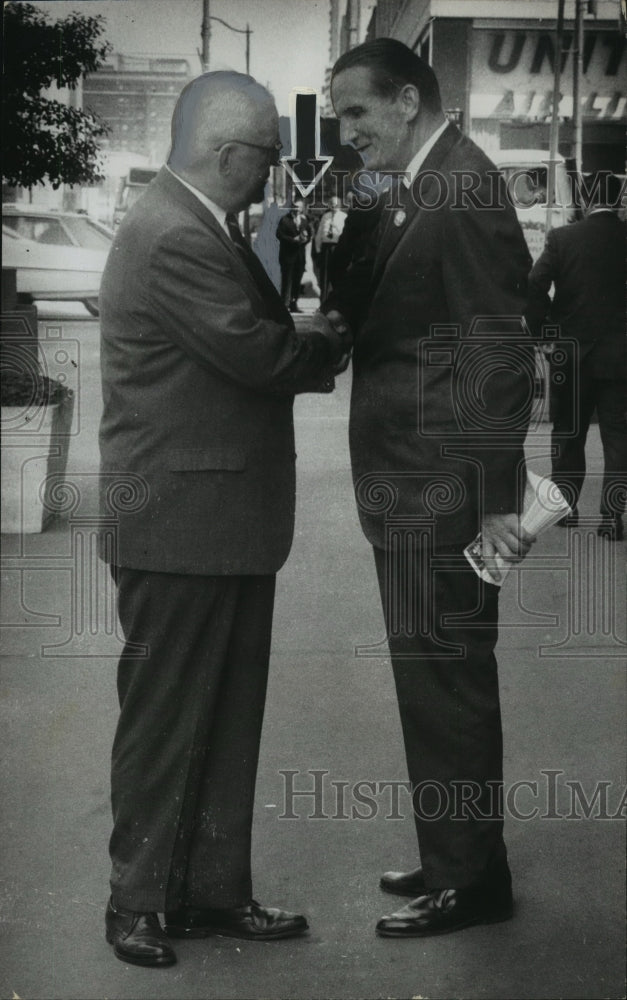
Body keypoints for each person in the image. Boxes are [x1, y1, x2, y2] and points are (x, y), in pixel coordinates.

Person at [98, 70, 349, 968]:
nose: (274, 171)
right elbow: (255, 351)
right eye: (269, 156)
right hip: (181, 522)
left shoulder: (199, 223)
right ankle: (135, 901)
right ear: (228, 153)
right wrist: (328, 342)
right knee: (166, 721)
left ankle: (208, 892)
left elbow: (252, 328)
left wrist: (301, 324)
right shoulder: (174, 234)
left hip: (216, 518)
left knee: (226, 719)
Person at [327, 38, 536, 937]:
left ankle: (469, 879)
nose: (346, 133)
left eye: (356, 113)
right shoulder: (418, 184)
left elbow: (497, 354)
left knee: (445, 679)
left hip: (440, 491)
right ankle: (457, 853)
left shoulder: (464, 187)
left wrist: (492, 503)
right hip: (412, 484)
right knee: (431, 680)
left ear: (407, 100)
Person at [526, 172, 626, 540]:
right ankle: (612, 517)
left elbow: (534, 284)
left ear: (585, 201)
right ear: (618, 202)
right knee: (618, 438)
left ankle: (566, 507)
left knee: (568, 433)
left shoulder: (562, 238)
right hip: (620, 358)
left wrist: (542, 331)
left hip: (570, 355)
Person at [275, 198, 312, 311]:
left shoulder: (304, 220)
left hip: (300, 256)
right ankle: (284, 305)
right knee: (287, 280)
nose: (297, 209)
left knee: (297, 280)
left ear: (302, 208)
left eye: (299, 207)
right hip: (287, 255)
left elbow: (309, 234)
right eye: (295, 206)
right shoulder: (284, 220)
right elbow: (279, 235)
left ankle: (293, 303)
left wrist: (305, 239)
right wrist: (293, 240)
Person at [313, 195, 347, 300]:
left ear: (340, 205)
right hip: (326, 248)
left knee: (337, 275)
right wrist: (318, 249)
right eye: (332, 204)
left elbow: (345, 234)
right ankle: (323, 301)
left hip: (337, 247)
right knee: (324, 276)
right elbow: (319, 233)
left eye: (336, 204)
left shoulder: (344, 217)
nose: (334, 206)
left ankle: (336, 302)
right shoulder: (325, 216)